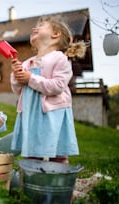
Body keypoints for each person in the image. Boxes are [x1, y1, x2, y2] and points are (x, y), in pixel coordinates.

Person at [10, 16, 86, 164]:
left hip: (53, 114)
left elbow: (57, 86)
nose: (34, 28)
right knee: (31, 152)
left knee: (57, 153)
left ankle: (59, 181)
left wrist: (30, 78)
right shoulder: (27, 63)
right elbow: (18, 91)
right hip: (31, 113)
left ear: (55, 34)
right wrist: (16, 76)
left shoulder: (59, 59)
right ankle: (32, 179)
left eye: (42, 25)